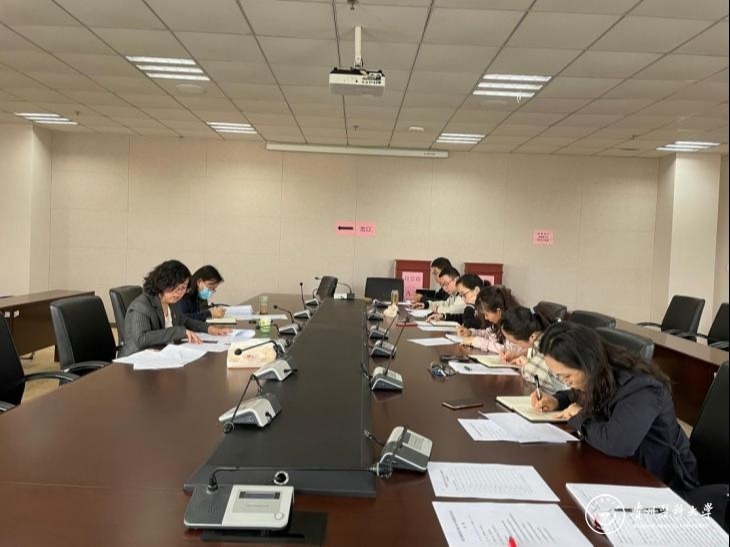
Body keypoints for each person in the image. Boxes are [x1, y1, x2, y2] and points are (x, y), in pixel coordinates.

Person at [530, 321, 699, 493]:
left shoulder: (641, 388)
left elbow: (616, 443)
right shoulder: (601, 371)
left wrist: (580, 417)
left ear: (587, 362)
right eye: (559, 377)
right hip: (623, 466)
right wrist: (557, 400)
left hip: (663, 480)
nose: (566, 383)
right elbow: (583, 393)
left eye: (567, 376)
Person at [121, 260, 230, 357]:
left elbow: (185, 321)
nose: (179, 292)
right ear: (162, 283)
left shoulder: (172, 302)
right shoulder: (141, 306)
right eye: (175, 287)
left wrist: (209, 328)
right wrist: (178, 332)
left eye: (183, 287)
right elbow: (141, 339)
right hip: (136, 360)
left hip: (161, 355)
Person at [500, 306, 566, 394]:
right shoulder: (543, 335)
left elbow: (531, 373)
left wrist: (527, 364)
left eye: (515, 342)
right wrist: (520, 355)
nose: (516, 346)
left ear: (532, 336)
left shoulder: (548, 346)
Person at [458, 285, 520, 354]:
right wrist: (470, 332)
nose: (486, 318)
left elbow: (509, 350)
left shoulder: (515, 324)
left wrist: (477, 341)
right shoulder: (499, 323)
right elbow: (488, 334)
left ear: (499, 311)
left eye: (486, 314)